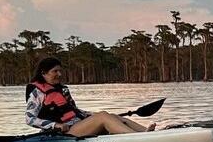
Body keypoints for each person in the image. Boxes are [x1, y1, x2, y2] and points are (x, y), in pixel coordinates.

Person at [26, 57, 158, 136]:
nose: (59, 74)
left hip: (76, 125)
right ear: (43, 73)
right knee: (103, 117)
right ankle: (137, 138)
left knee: (111, 116)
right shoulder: (37, 92)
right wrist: (55, 125)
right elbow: (30, 119)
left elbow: (74, 111)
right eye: (55, 71)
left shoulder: (62, 90)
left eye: (60, 71)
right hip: (61, 134)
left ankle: (148, 133)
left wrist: (92, 114)